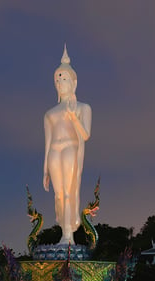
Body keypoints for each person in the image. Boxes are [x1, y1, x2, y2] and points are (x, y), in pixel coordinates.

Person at [42, 45, 92, 245]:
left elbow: (86, 135)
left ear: (74, 82)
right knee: (59, 194)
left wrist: (74, 118)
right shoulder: (49, 114)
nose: (60, 83)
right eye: (57, 80)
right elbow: (47, 143)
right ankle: (64, 230)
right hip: (54, 151)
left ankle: (69, 235)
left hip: (71, 148)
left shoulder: (83, 108)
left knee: (70, 191)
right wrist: (44, 169)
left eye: (64, 79)